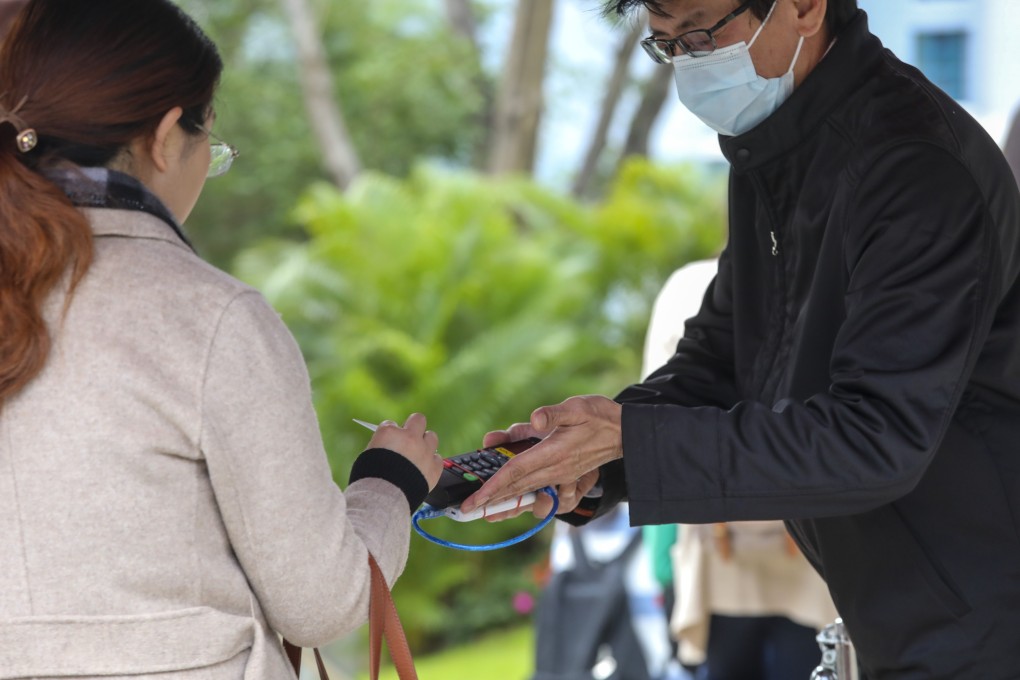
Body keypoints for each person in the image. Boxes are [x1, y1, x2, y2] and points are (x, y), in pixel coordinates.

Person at [461, 1, 1020, 677]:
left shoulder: (916, 168)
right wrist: (594, 461)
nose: (692, 64)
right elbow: (720, 360)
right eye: (668, 46)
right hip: (907, 606)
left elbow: (877, 437)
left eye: (702, 34)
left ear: (806, 8)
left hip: (984, 609)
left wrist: (630, 438)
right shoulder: (778, 149)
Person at [0, 1, 443, 677]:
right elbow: (321, 602)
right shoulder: (207, 316)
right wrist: (392, 481)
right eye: (212, 142)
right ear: (166, 133)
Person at [643, 261, 837, 680]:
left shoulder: (685, 286)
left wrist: (661, 563)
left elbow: (655, 413)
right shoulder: (809, 278)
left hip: (742, 546)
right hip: (773, 543)